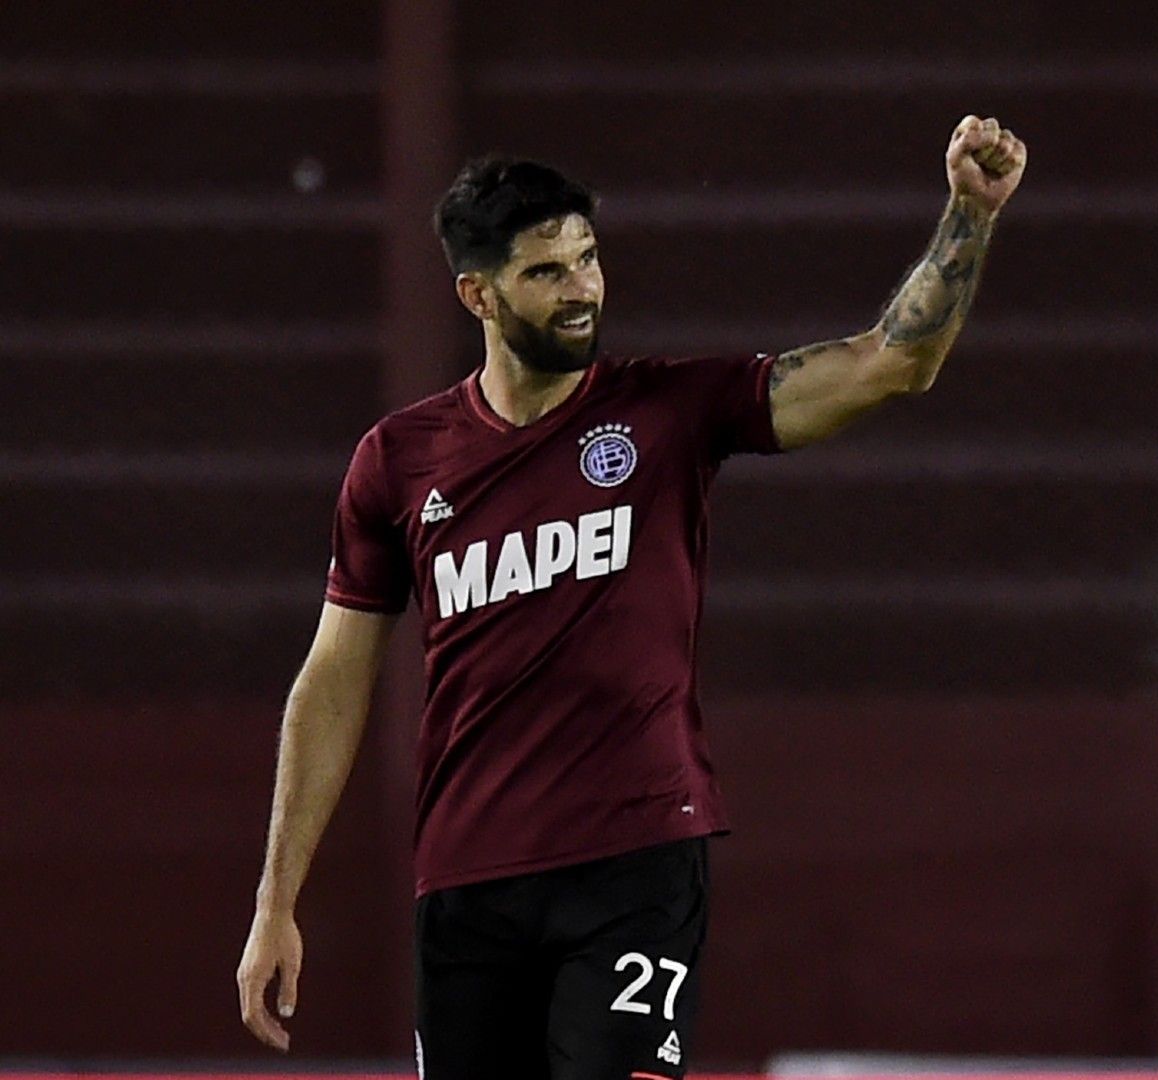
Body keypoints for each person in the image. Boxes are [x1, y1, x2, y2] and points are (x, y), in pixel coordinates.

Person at [236, 115, 1027, 1078]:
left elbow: (895, 361)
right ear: (476, 294)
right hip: (468, 881)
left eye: (589, 259)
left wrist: (969, 214)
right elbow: (331, 681)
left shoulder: (668, 414)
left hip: (635, 863)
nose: (582, 292)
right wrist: (278, 901)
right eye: (547, 273)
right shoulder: (398, 463)